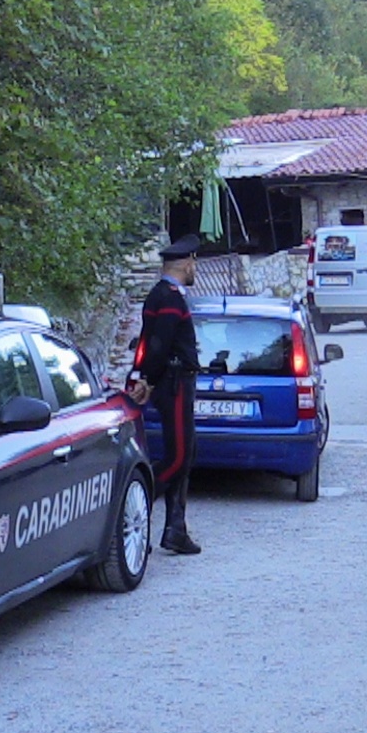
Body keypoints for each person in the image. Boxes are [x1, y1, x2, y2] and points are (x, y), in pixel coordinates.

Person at [127, 234, 203, 555]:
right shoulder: (170, 298)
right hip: (174, 383)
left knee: (185, 455)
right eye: (194, 262)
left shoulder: (159, 294)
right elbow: (158, 345)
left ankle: (176, 529)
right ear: (186, 264)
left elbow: (146, 342)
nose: (195, 268)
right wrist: (149, 379)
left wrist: (140, 374)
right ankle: (130, 511)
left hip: (171, 381)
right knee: (177, 458)